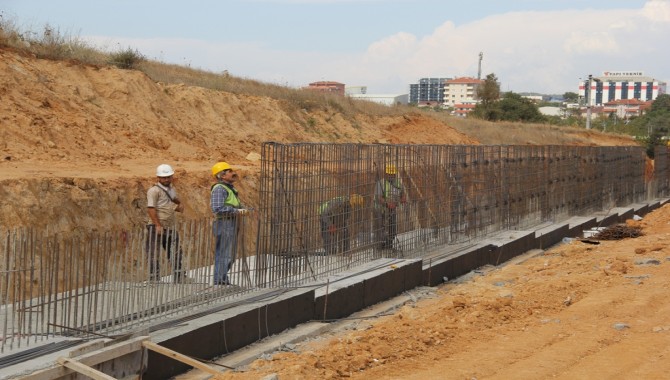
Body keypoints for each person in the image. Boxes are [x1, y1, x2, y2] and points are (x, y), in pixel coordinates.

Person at [145, 163, 188, 283]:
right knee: (154, 252)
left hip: (170, 225)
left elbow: (174, 199)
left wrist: (179, 204)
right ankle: (154, 278)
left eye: (168, 177)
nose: (166, 179)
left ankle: (180, 276)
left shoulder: (170, 189)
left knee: (175, 251)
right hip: (157, 225)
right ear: (158, 178)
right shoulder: (153, 191)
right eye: (164, 177)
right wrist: (157, 225)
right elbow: (151, 208)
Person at [210, 162, 250, 285]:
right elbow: (217, 208)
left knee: (229, 254)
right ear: (222, 176)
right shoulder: (219, 189)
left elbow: (232, 204)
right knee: (225, 253)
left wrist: (244, 209)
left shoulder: (229, 188)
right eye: (229, 171)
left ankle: (222, 279)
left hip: (231, 222)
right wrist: (236, 211)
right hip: (224, 223)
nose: (233, 173)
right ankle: (219, 281)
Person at [374, 164, 406, 249]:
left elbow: (402, 193)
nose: (391, 176)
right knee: (381, 228)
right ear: (386, 174)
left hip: (392, 210)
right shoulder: (380, 183)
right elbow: (378, 198)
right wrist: (387, 204)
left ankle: (389, 245)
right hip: (380, 210)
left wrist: (403, 198)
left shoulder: (397, 183)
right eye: (389, 174)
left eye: (393, 175)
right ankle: (380, 247)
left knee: (393, 228)